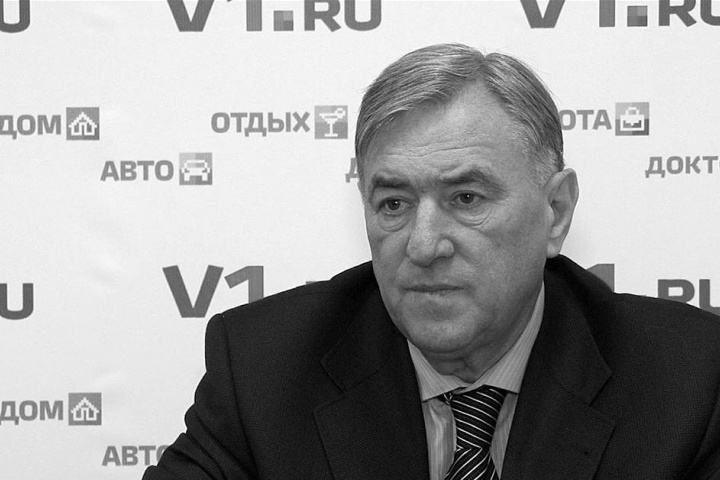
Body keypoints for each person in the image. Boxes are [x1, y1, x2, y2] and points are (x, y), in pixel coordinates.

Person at [143, 43, 720, 480]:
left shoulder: (688, 381)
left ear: (556, 212)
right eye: (393, 204)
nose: (423, 246)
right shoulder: (264, 369)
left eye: (466, 198)